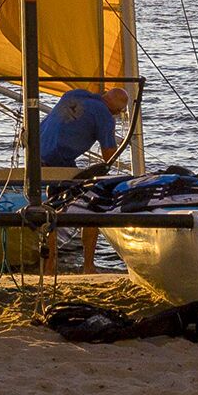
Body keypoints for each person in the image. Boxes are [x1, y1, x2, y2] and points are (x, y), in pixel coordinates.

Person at [36, 79, 131, 270]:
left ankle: (49, 264)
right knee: (93, 206)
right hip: (58, 161)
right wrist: (123, 145)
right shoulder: (105, 116)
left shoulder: (74, 94)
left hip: (36, 153)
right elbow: (108, 157)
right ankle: (88, 265)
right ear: (117, 111)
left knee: (53, 205)